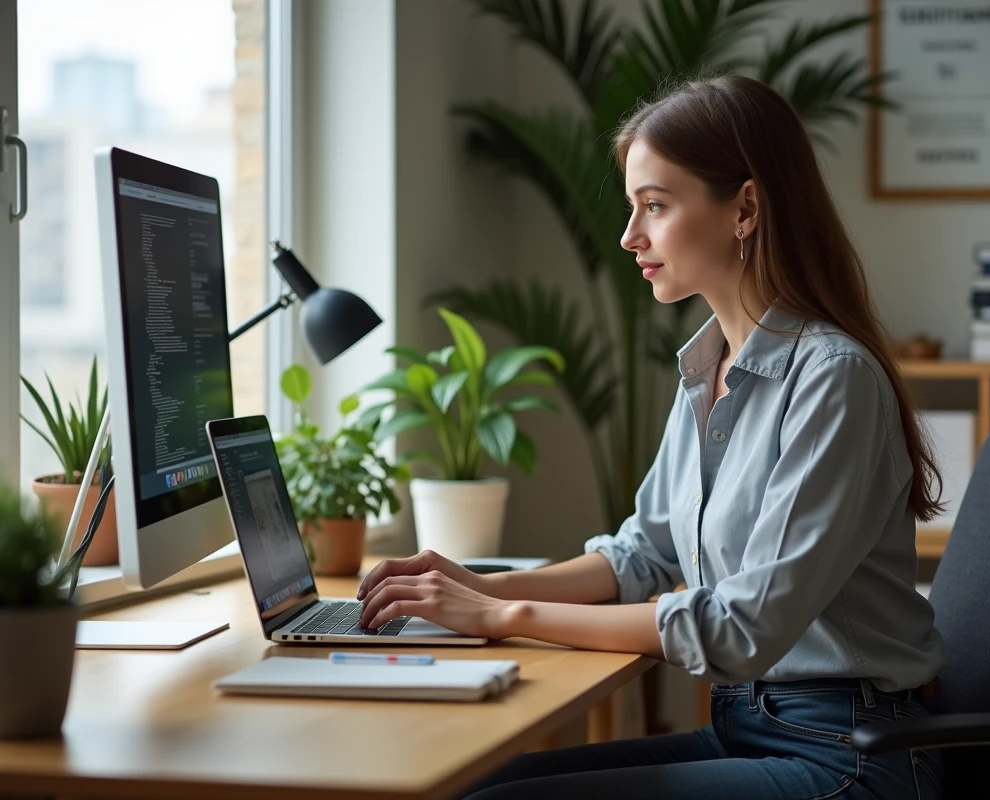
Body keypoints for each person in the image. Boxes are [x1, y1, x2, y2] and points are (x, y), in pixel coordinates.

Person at [355, 74, 946, 800]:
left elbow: (742, 627)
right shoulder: (709, 367)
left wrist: (505, 615)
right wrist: (475, 584)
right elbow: (643, 554)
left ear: (745, 209)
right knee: (477, 785)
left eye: (655, 207)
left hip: (848, 756)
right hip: (746, 727)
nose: (630, 235)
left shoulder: (833, 380)